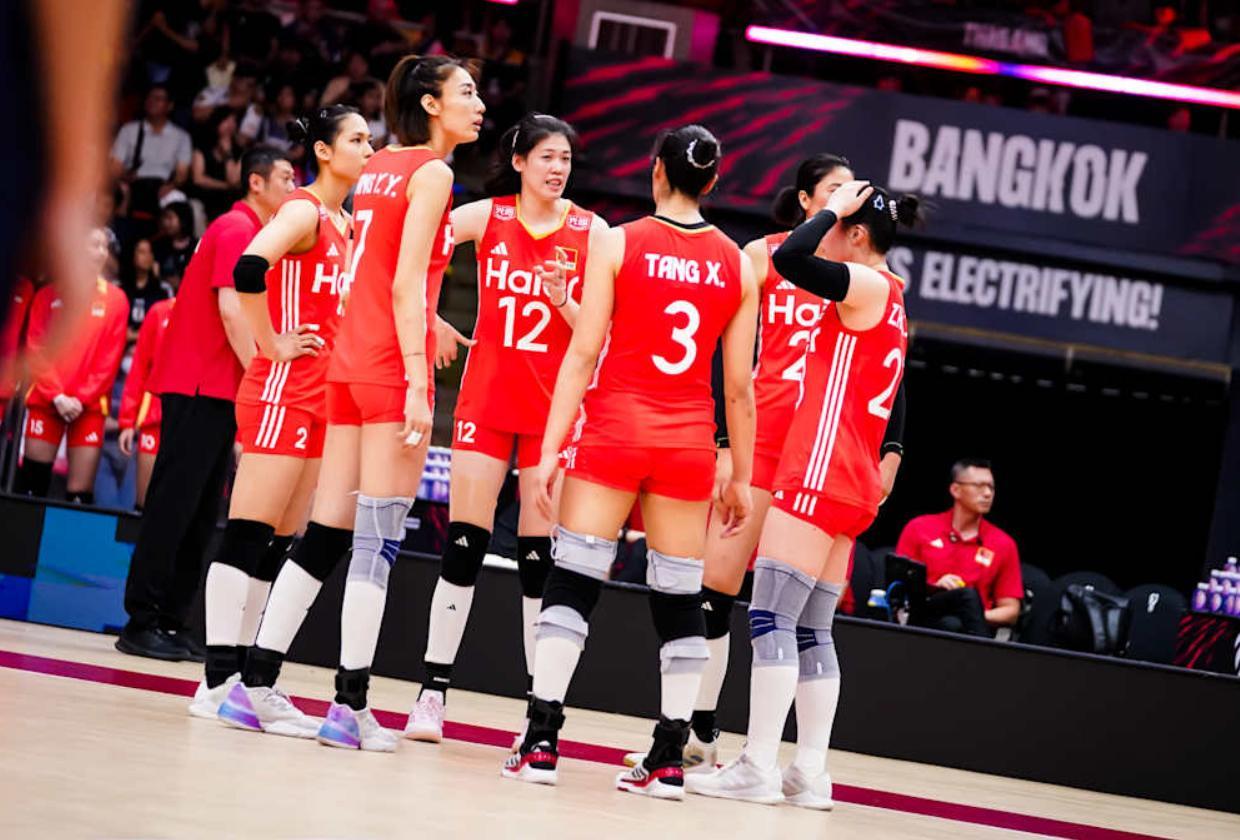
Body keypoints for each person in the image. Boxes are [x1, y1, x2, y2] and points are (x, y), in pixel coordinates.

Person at [226, 56, 483, 753]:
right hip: (386, 369)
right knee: (377, 542)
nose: (479, 104)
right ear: (430, 104)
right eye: (466, 92)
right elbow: (404, 284)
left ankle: (252, 684)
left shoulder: (378, 168)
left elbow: (377, 275)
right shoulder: (431, 173)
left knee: (326, 534)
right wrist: (416, 382)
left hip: (345, 366)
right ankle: (350, 705)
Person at [503, 124, 758, 800]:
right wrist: (742, 475)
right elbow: (739, 388)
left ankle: (541, 742)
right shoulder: (738, 264)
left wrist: (550, 450)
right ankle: (670, 757)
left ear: (657, 173)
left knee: (573, 581)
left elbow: (584, 352)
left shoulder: (616, 241)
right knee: (680, 597)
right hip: (688, 443)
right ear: (711, 182)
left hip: (616, 429)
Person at [664, 156, 908, 771]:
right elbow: (727, 344)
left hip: (819, 464)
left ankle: (757, 765)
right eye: (832, 194)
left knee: (773, 615)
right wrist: (727, 443)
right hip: (802, 456)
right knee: (783, 617)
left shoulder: (861, 281)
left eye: (848, 202)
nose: (839, 207)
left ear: (857, 229)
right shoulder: (869, 286)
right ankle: (773, 760)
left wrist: (894, 450)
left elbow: (796, 263)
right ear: (803, 198)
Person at [407, 113, 607, 743]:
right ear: (518, 161)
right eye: (547, 156)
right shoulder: (486, 217)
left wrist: (563, 299)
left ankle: (535, 712)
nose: (557, 168)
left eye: (565, 159)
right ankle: (431, 694)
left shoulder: (593, 232)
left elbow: (602, 335)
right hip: (488, 402)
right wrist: (430, 316)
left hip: (551, 415)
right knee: (464, 544)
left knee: (537, 561)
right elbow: (407, 249)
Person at [201, 106, 373, 733]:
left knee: (279, 541)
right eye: (357, 139)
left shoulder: (347, 223)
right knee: (248, 532)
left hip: (323, 395)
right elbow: (249, 267)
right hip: (282, 390)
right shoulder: (303, 211)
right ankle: (215, 681)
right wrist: (270, 342)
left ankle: (250, 681)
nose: (368, 150)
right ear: (324, 151)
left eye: (371, 140)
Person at [117, 147, 295, 663]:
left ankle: (171, 620)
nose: (292, 188)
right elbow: (231, 309)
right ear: (256, 183)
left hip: (220, 391)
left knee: (200, 513)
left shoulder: (253, 233)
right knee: (174, 506)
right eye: (286, 178)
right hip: (199, 385)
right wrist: (262, 374)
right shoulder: (237, 229)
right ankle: (141, 620)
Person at [16, 229, 127, 503]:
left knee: (79, 497)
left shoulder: (116, 301)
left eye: (104, 247)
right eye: (94, 245)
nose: (101, 252)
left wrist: (79, 399)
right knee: (31, 487)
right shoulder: (46, 295)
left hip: (88, 407)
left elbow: (109, 360)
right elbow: (36, 349)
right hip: (47, 400)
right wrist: (57, 396)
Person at [895, 458, 1022, 636]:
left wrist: (971, 612)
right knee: (962, 601)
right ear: (956, 490)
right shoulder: (919, 528)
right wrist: (934, 586)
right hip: (924, 618)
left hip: (970, 626)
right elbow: (898, 588)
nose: (987, 493)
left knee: (961, 608)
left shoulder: (1003, 543)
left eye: (991, 487)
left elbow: (1011, 611)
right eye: (979, 486)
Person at [118, 297, 174, 509]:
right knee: (144, 503)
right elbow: (139, 367)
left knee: (174, 505)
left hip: (189, 422)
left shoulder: (216, 316)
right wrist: (127, 421)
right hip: (154, 419)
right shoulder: (160, 311)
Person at [109, 85, 193, 226]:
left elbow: (182, 173)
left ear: (170, 106)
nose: (151, 102)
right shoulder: (129, 130)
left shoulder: (181, 137)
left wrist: (171, 185)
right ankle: (119, 232)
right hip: (132, 184)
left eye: (158, 98)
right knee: (117, 194)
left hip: (161, 186)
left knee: (177, 200)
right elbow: (116, 165)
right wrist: (124, 176)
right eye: (149, 98)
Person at [192, 107, 244, 222]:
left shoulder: (240, 151)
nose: (230, 125)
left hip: (230, 201)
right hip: (205, 198)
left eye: (233, 121)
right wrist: (225, 186)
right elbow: (198, 179)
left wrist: (228, 154)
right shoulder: (203, 147)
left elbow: (233, 180)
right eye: (226, 120)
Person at [120, 238, 174, 343]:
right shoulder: (121, 289)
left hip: (152, 346)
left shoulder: (163, 290)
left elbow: (167, 324)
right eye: (142, 252)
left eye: (150, 252)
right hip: (124, 347)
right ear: (133, 256)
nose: (147, 256)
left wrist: (136, 335)